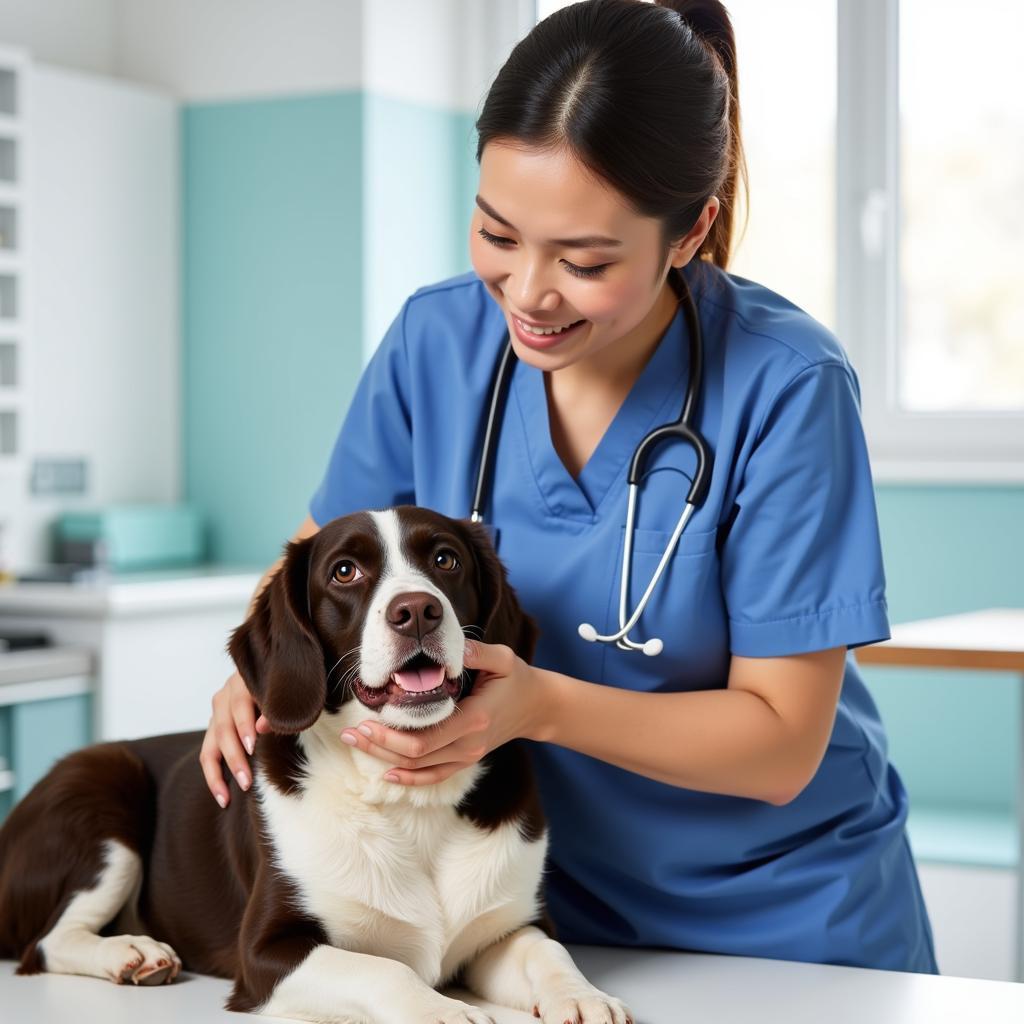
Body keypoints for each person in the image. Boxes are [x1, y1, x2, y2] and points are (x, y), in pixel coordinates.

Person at [199, 0, 938, 975]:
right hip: (526, 910)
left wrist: (537, 705)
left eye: (584, 260)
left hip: (783, 918)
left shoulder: (787, 386)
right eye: (497, 234)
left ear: (689, 231)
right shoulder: (437, 343)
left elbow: (779, 743)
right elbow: (315, 567)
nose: (527, 292)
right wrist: (252, 679)